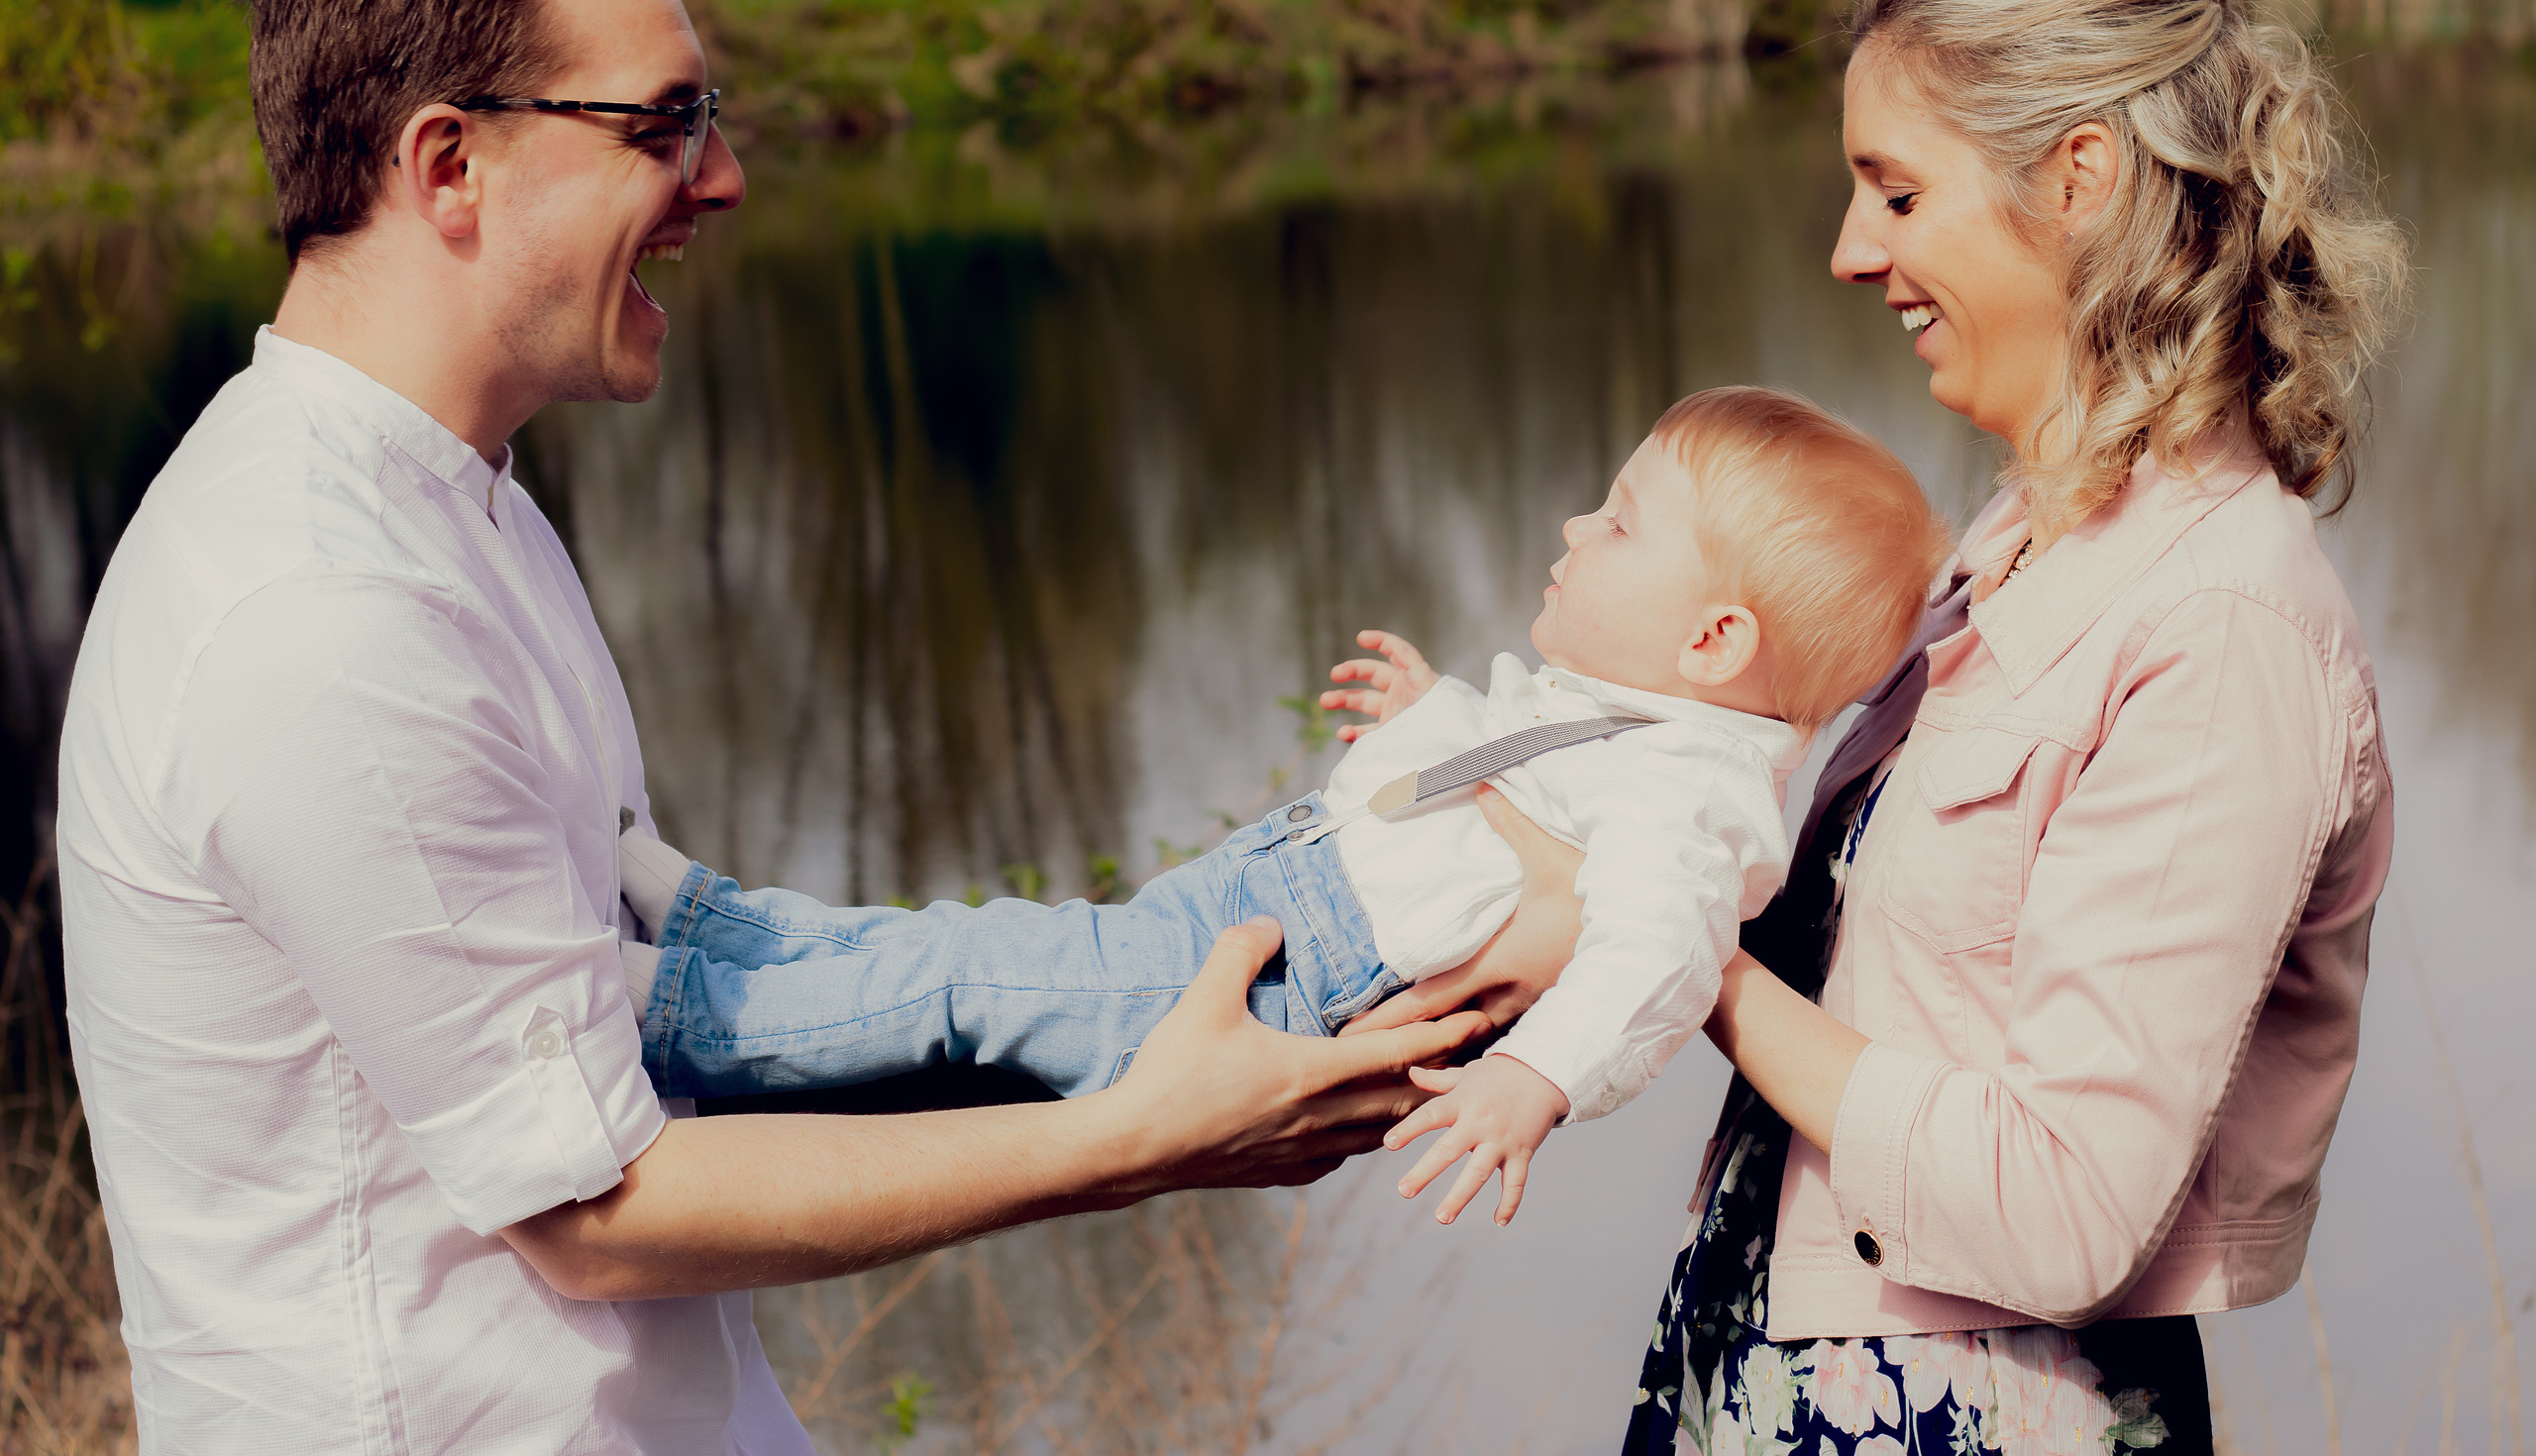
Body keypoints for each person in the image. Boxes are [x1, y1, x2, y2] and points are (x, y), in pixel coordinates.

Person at [52, 0, 1580, 1455]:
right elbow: (597, 1205)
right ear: (450, 167)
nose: (720, 181)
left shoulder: (455, 510)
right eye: (663, 125)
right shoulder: (318, 617)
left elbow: (685, 1010)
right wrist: (1137, 1137)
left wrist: (1160, 1013)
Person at [1467, 0, 2392, 1451]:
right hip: (1772, 1364)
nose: (1848, 252)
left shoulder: (2219, 631)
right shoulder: (2019, 546)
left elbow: (2061, 1210)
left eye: (1896, 194)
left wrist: (1682, 957)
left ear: (2078, 179)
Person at [608, 387, 1949, 1228]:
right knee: (969, 963)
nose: (1571, 526)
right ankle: (719, 937)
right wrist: (1436, 717)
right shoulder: (1649, 733)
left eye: (1619, 523)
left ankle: (662, 1009)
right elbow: (1514, 802)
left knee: (967, 981)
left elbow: (1655, 952)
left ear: (1715, 638)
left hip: (1294, 968)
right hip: (1272, 903)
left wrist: (1537, 1083)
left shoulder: (1691, 794)